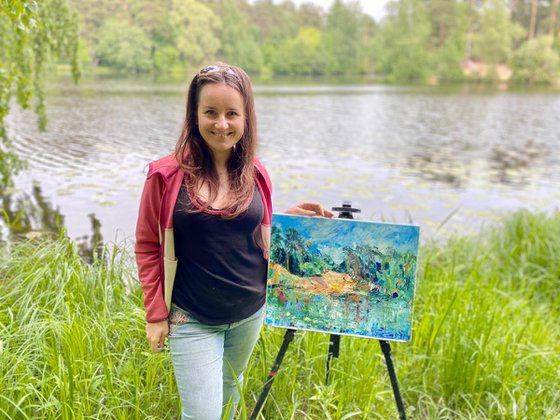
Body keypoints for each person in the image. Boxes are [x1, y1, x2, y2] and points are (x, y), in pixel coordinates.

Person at [135, 63, 333, 420]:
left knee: (228, 401)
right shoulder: (165, 176)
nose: (221, 124)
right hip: (192, 316)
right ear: (194, 115)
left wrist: (288, 218)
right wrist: (155, 314)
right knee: (203, 415)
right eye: (210, 112)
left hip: (249, 312)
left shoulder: (256, 173)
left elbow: (255, 233)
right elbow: (148, 246)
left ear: (246, 118)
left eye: (232, 114)